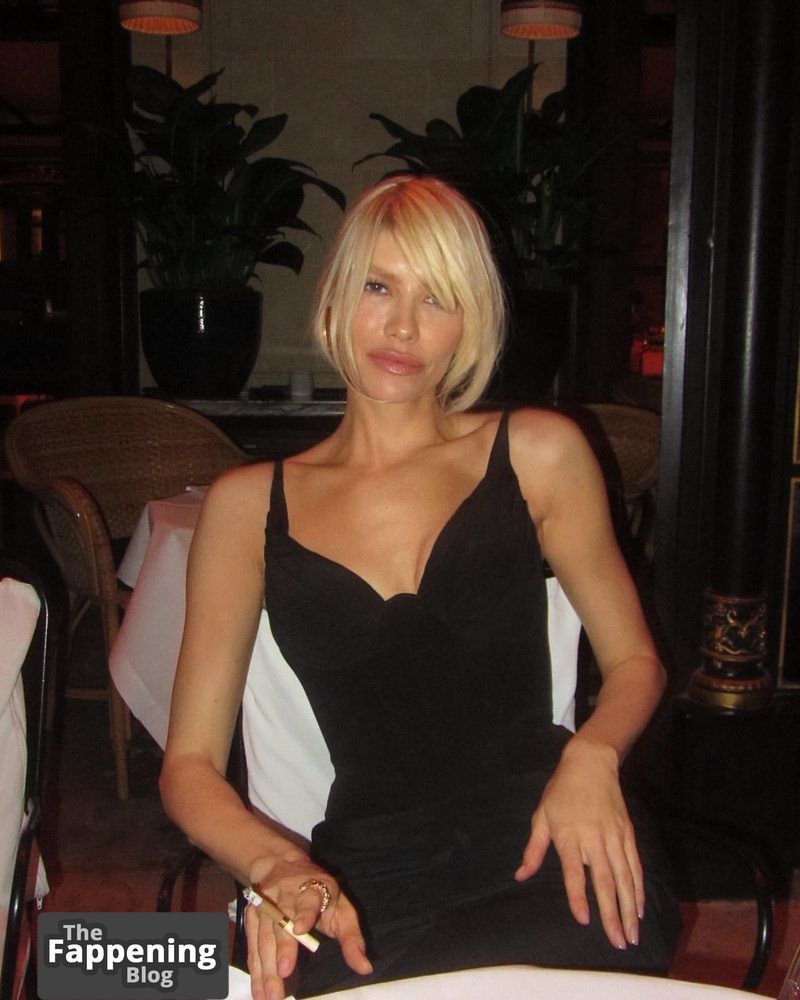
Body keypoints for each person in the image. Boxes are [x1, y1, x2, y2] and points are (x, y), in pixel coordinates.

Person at [160, 174, 680, 1000]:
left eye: (438, 298)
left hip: (553, 837)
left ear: (471, 322)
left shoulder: (538, 452)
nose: (403, 326)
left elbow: (636, 662)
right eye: (379, 287)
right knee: (77, 967)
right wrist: (273, 865)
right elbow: (188, 765)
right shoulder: (245, 506)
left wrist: (593, 758)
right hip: (358, 877)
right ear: (335, 297)